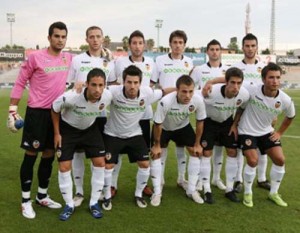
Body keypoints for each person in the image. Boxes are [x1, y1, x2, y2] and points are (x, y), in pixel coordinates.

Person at [7, 22, 72, 219]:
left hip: (57, 114)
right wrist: (12, 109)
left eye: (63, 37)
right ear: (49, 37)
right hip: (36, 113)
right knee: (31, 153)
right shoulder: (35, 57)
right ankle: (25, 201)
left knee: (49, 154)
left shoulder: (68, 58)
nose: (60, 40)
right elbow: (20, 82)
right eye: (57, 36)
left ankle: (42, 196)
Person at [101, 65, 171, 210]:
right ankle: (107, 195)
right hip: (113, 134)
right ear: (123, 82)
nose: (132, 86)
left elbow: (164, 92)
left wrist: (194, 92)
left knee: (145, 164)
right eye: (129, 82)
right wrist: (80, 87)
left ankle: (138, 194)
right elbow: (96, 91)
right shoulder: (113, 91)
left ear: (140, 83)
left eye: (135, 83)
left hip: (134, 134)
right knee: (108, 166)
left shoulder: (147, 93)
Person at [231, 62, 295, 207]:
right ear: (263, 79)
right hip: (247, 131)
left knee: (280, 159)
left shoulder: (285, 99)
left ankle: (273, 193)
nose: (275, 81)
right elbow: (233, 82)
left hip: (266, 132)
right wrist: (235, 125)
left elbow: (290, 116)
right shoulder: (251, 89)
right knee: (253, 161)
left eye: (278, 77)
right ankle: (248, 193)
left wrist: (279, 132)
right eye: (271, 77)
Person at [52, 68, 112, 220]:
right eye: (93, 85)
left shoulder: (108, 96)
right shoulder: (72, 97)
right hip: (68, 130)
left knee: (100, 163)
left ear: (105, 85)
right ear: (86, 84)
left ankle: (93, 203)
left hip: (90, 129)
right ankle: (69, 205)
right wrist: (57, 133)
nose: (97, 89)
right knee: (64, 166)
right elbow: (54, 108)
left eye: (101, 85)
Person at [67, 26, 116, 207]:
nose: (95, 40)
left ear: (103, 39)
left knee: (101, 156)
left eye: (98, 37)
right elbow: (69, 84)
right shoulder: (77, 60)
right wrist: (76, 85)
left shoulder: (110, 61)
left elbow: (114, 85)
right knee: (78, 153)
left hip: (101, 114)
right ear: (86, 39)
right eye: (91, 37)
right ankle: (79, 192)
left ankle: (103, 192)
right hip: (80, 114)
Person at [111, 30, 156, 198]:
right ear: (129, 45)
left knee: (143, 153)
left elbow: (152, 86)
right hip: (123, 114)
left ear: (144, 45)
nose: (137, 46)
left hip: (143, 115)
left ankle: (143, 186)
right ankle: (112, 186)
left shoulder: (152, 62)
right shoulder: (120, 62)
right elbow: (115, 84)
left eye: (140, 43)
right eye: (134, 43)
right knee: (117, 153)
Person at [151, 75, 206, 205]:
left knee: (195, 151)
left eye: (191, 91)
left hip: (182, 126)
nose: (188, 95)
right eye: (184, 91)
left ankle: (191, 190)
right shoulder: (165, 101)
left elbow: (200, 122)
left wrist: (197, 144)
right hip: (164, 127)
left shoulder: (198, 100)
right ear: (177, 90)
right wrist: (157, 144)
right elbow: (157, 124)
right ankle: (157, 191)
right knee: (157, 154)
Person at [151, 30, 193, 190]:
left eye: (180, 43)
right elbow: (152, 83)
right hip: (164, 111)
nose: (177, 45)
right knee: (161, 147)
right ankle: (159, 180)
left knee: (182, 147)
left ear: (184, 45)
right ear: (170, 44)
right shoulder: (160, 61)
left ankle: (181, 179)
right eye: (174, 42)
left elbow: (192, 85)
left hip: (182, 114)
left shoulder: (189, 62)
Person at [200, 67, 249, 204]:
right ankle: (207, 189)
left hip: (227, 123)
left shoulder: (244, 94)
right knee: (207, 153)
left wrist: (235, 124)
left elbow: (242, 107)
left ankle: (229, 189)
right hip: (209, 123)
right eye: (232, 82)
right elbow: (196, 101)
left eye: (239, 83)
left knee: (232, 152)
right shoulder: (211, 92)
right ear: (225, 82)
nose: (236, 86)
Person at [232, 33, 270, 193]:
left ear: (257, 47)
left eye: (253, 45)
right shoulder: (235, 68)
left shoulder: (263, 67)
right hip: (242, 111)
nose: (250, 49)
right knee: (241, 147)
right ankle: (238, 180)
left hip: (261, 113)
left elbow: (271, 89)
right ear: (242, 48)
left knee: (263, 147)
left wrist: (273, 115)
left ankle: (261, 179)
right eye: (247, 46)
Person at [190, 39, 229, 191]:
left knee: (220, 149)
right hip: (205, 116)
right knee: (204, 150)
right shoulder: (199, 70)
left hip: (224, 115)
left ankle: (216, 178)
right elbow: (190, 87)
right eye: (211, 49)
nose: (214, 52)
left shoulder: (227, 69)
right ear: (207, 52)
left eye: (217, 49)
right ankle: (201, 179)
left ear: (220, 52)